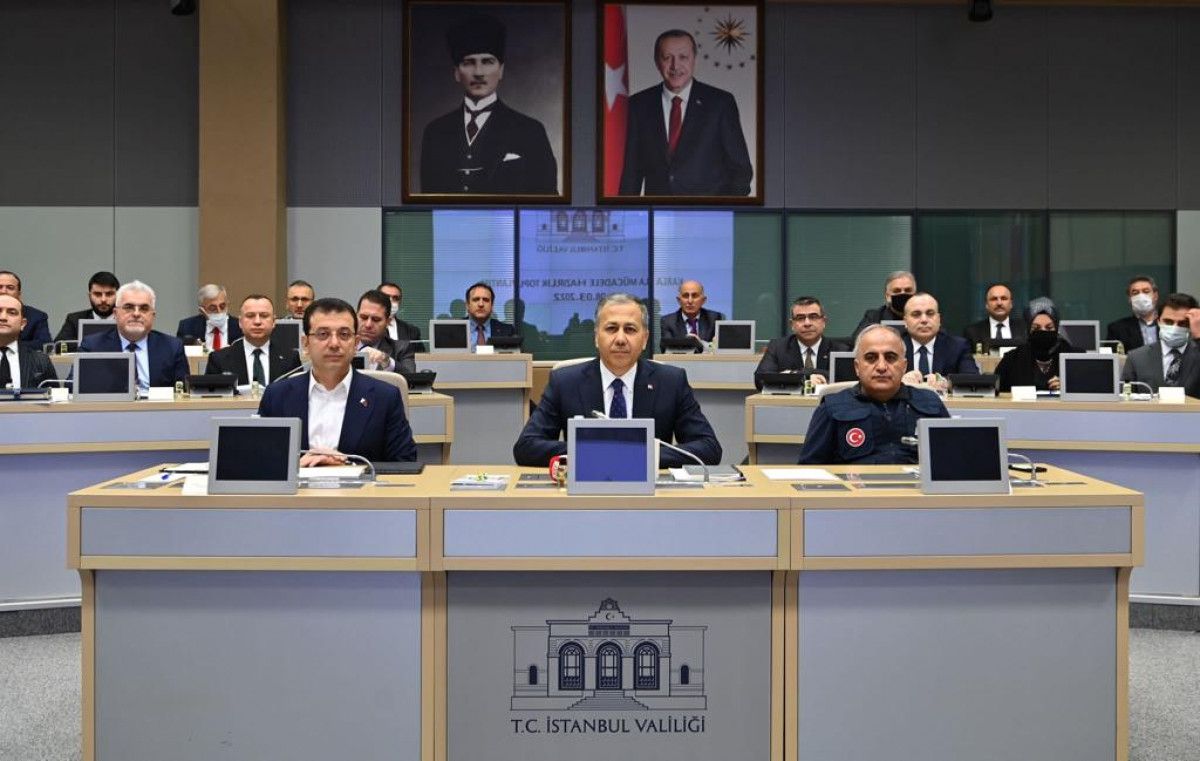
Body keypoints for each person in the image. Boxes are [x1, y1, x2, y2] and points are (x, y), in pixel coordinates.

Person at [513, 292, 721, 468]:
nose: (620, 339)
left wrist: (641, 454)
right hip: (586, 491)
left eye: (630, 329)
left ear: (644, 339)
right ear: (596, 337)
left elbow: (709, 448)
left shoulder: (671, 381)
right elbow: (526, 448)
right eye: (611, 328)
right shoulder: (565, 382)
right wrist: (594, 451)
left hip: (651, 494)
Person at [257, 297, 417, 465]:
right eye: (323, 334)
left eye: (344, 335)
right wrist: (296, 466)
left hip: (361, 482)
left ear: (355, 344)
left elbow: (405, 463)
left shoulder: (385, 397)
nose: (334, 344)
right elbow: (260, 461)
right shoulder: (277, 395)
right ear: (306, 344)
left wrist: (348, 467)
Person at [419, 14, 557, 195]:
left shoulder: (530, 131)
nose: (478, 72)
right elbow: (426, 202)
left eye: (487, 62)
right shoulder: (435, 132)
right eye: (468, 63)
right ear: (456, 73)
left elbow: (547, 201)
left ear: (501, 70)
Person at [618, 29, 752, 196]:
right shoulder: (638, 105)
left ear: (694, 59)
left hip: (708, 210)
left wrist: (722, 209)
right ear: (657, 61)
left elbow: (741, 171)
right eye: (667, 57)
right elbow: (631, 172)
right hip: (658, 210)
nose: (675, 66)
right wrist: (628, 210)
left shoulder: (720, 104)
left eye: (683, 57)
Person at [798, 324, 949, 465]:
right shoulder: (832, 407)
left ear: (904, 366)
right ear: (857, 367)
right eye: (871, 358)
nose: (881, 367)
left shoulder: (930, 402)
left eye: (890, 357)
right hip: (857, 485)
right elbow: (809, 470)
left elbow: (953, 459)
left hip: (917, 485)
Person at [79, 280, 189, 390]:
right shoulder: (93, 346)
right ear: (115, 314)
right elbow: (75, 387)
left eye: (144, 309)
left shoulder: (172, 347)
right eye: (129, 307)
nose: (136, 314)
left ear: (153, 316)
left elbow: (185, 391)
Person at [204, 294, 301, 386]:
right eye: (250, 316)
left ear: (273, 322)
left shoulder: (290, 358)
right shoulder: (219, 359)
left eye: (264, 316)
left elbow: (297, 393)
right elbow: (210, 395)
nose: (257, 322)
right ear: (240, 322)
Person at [754, 296, 848, 386]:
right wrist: (805, 377)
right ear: (792, 324)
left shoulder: (840, 349)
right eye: (800, 318)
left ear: (824, 322)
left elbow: (846, 380)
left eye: (813, 317)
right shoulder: (777, 347)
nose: (807, 323)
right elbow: (761, 379)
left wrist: (792, 374)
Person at [1121, 293, 1200, 396]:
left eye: (1182, 323)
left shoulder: (1197, 353)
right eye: (1168, 322)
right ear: (1158, 321)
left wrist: (1198, 336)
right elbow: (1125, 398)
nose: (1175, 328)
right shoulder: (1136, 358)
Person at [995, 298, 1076, 393]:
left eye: (1049, 328)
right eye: (1036, 328)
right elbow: (995, 392)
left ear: (1057, 328)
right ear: (1028, 330)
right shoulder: (1011, 360)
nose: (1043, 331)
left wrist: (1069, 386)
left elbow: (1086, 388)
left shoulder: (1074, 358)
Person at [900, 293, 978, 388]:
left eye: (930, 314)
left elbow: (972, 379)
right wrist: (900, 380)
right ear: (905, 321)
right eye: (916, 314)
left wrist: (946, 382)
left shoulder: (958, 346)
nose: (924, 320)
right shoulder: (894, 347)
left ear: (939, 319)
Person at [0, 294, 56, 389]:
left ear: (22, 324)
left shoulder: (41, 361)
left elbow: (54, 396)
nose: (3, 317)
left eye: (12, 313)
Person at [356, 290, 416, 374]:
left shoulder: (401, 349)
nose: (368, 325)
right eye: (363, 317)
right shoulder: (342, 345)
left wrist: (386, 361)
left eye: (376, 319)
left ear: (387, 322)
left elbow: (411, 378)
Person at [54, 271, 120, 342]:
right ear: (89, 296)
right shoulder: (75, 320)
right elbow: (60, 345)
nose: (103, 299)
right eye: (97, 294)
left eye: (109, 294)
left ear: (119, 296)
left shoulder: (126, 319)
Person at [659, 280, 724, 352]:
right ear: (679, 300)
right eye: (685, 296)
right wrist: (691, 344)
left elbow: (720, 349)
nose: (690, 301)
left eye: (695, 296)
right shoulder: (668, 321)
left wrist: (700, 344)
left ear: (703, 300)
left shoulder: (714, 319)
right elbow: (666, 348)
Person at [851, 270, 917, 341]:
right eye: (897, 291)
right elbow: (857, 341)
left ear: (915, 294)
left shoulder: (923, 316)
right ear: (887, 296)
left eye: (908, 290)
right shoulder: (874, 317)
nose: (902, 294)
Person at [961, 282, 1028, 350]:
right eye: (994, 299)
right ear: (986, 305)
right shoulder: (973, 332)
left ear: (1011, 304)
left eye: (1004, 298)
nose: (999, 303)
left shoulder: (1025, 329)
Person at [176, 284, 243, 349]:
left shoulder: (240, 327)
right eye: (212, 308)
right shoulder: (188, 327)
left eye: (222, 306)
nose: (219, 311)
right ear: (202, 310)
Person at [1106, 275, 1160, 352]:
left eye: (1146, 291)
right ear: (1129, 299)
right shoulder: (1117, 329)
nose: (1141, 296)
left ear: (1155, 296)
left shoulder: (1170, 323)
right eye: (1135, 293)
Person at [0, 271, 51, 351]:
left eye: (10, 287)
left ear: (19, 294)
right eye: (0, 287)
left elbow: (45, 344)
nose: (3, 291)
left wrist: (8, 346)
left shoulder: (36, 316)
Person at [464, 282, 516, 350]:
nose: (481, 304)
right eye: (476, 299)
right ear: (467, 305)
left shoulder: (507, 331)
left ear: (492, 306)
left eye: (486, 300)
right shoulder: (454, 329)